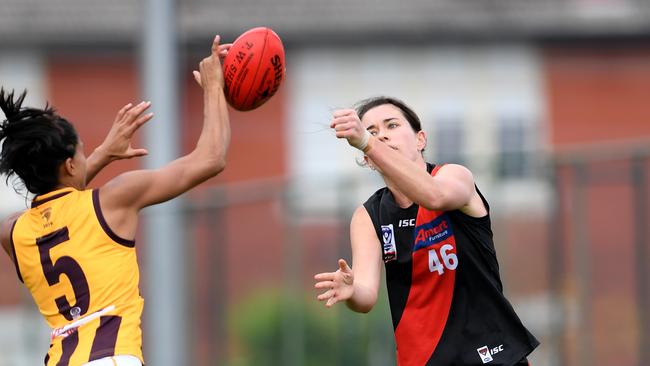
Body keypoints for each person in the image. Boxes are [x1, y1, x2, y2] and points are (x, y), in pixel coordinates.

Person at [0, 35, 231, 366]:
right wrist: (213, 87)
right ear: (69, 165)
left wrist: (99, 155)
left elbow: (59, 202)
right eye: (81, 151)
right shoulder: (112, 200)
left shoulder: (12, 233)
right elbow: (211, 159)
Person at [314, 96, 539, 366]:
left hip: (492, 355)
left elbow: (434, 196)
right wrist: (351, 292)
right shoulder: (368, 216)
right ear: (369, 160)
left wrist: (366, 140)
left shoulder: (454, 177)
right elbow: (366, 296)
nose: (381, 136)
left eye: (391, 125)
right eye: (372, 131)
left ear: (420, 140)